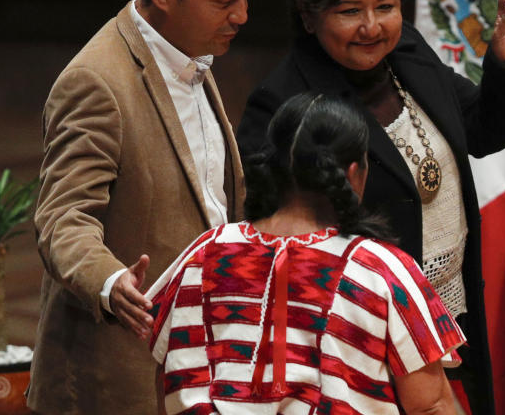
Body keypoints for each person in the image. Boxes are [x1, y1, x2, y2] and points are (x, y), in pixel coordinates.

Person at [236, 0, 505, 413]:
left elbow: (481, 131)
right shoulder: (283, 103)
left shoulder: (408, 52)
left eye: (385, 7)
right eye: (349, 11)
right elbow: (269, 238)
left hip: (451, 318)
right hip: (356, 344)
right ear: (309, 17)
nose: (372, 26)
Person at [29, 0, 257, 414]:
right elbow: (62, 219)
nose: (242, 15)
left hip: (195, 364)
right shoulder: (96, 81)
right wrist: (111, 282)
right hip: (114, 380)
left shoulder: (191, 47)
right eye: (225, 0)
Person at [147, 93, 465, 415]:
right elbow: (431, 406)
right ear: (355, 172)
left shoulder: (203, 254)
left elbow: (167, 377)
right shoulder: (382, 271)